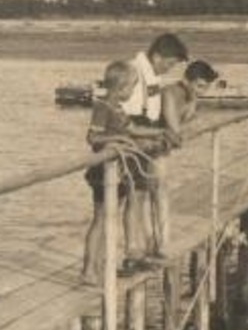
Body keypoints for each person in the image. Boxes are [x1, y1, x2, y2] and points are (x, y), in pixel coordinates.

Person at [80, 61, 170, 282]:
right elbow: (92, 138)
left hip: (118, 172)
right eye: (131, 88)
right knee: (101, 218)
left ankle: (99, 266)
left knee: (110, 218)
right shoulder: (103, 107)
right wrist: (118, 139)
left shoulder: (118, 108)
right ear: (120, 88)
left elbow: (131, 129)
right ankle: (89, 270)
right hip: (103, 172)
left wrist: (159, 132)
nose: (132, 92)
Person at [123, 33, 188, 262]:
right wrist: (152, 135)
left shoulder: (151, 76)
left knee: (141, 195)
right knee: (134, 197)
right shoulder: (134, 73)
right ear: (157, 56)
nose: (170, 70)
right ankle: (132, 250)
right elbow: (126, 118)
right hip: (133, 144)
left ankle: (142, 247)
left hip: (146, 141)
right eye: (169, 64)